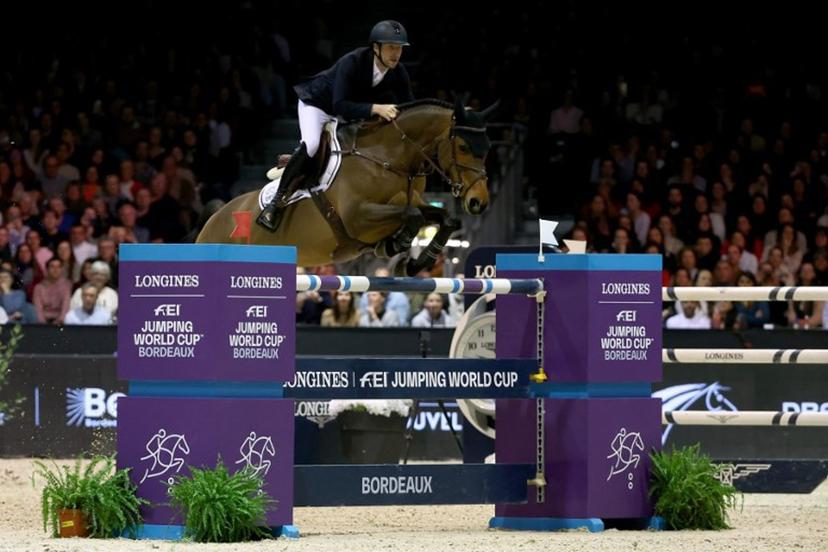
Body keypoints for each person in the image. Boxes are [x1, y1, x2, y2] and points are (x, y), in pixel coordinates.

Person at [257, 20, 414, 231]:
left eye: (399, 48)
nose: (396, 53)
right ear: (376, 48)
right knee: (312, 144)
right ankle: (275, 204)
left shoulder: (398, 71)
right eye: (391, 47)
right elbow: (340, 104)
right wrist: (376, 108)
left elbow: (409, 107)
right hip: (318, 105)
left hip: (345, 115)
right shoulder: (353, 62)